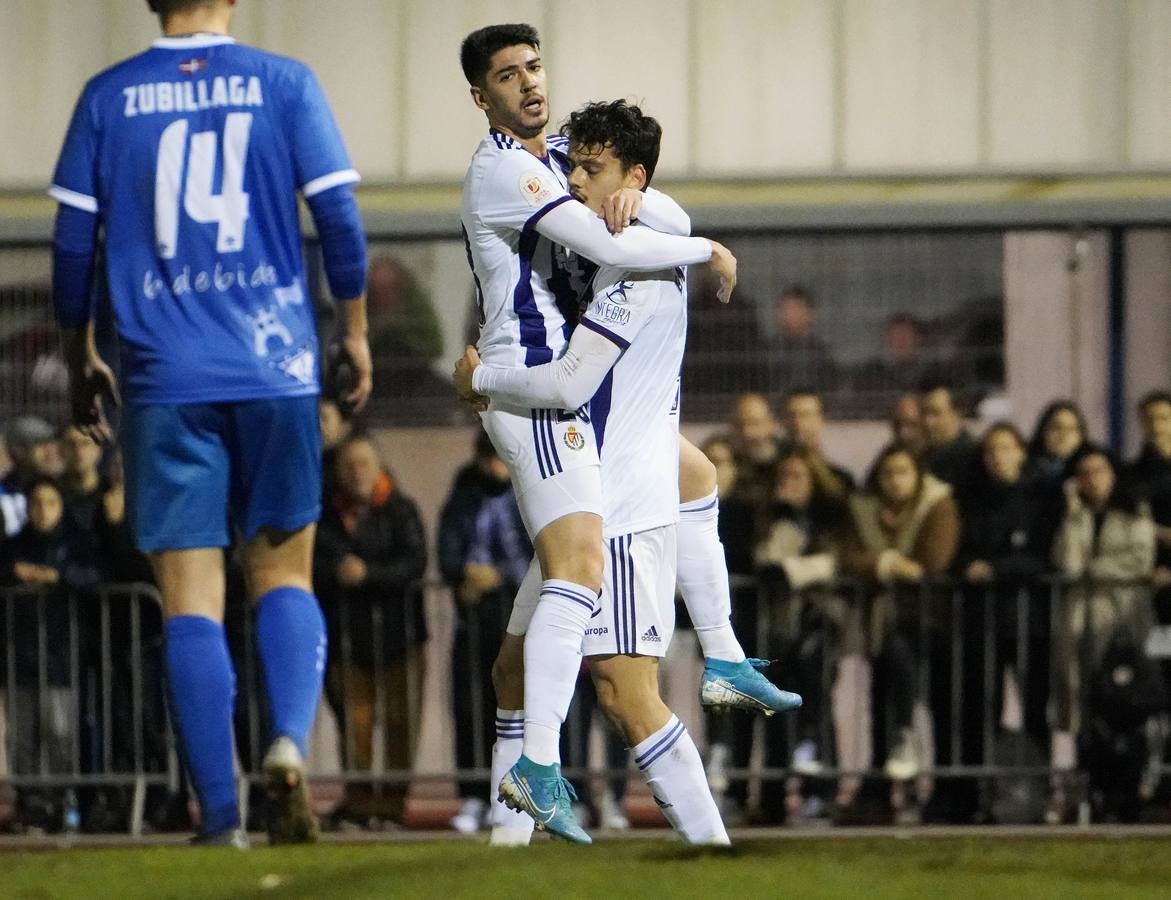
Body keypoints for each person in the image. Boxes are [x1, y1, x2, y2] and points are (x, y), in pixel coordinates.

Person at [49, 0, 371, 846]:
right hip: (276, 370)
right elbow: (338, 220)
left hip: (165, 378)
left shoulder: (107, 96)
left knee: (189, 599)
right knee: (286, 579)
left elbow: (72, 246)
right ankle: (290, 748)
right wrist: (356, 332)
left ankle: (221, 816)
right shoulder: (284, 83)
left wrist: (82, 351)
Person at [455, 23, 743, 843]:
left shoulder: (561, 172)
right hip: (545, 402)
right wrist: (708, 249)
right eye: (508, 77)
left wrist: (639, 201)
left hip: (590, 430)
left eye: (534, 67)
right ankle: (549, 773)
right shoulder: (514, 172)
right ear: (482, 98)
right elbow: (595, 240)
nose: (529, 84)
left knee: (523, 665)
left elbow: (622, 209)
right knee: (600, 628)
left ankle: (511, 848)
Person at [313, 433, 427, 826]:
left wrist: (366, 576)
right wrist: (338, 572)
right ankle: (360, 806)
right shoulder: (327, 516)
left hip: (402, 638)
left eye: (363, 463)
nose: (357, 472)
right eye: (349, 465)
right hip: (349, 641)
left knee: (401, 725)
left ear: (378, 466)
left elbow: (414, 562)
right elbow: (319, 562)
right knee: (355, 728)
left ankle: (392, 808)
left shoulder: (401, 510)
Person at [842, 444, 959, 816]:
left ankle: (938, 786)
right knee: (880, 699)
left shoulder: (938, 504)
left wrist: (878, 565)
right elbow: (848, 556)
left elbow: (933, 561)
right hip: (882, 622)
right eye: (888, 473)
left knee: (940, 705)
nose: (895, 481)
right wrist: (891, 562)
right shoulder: (863, 510)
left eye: (903, 472)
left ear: (917, 475)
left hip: (932, 621)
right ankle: (881, 788)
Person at [763, 286, 839, 395]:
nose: (790, 314)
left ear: (809, 313)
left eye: (796, 308)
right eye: (785, 309)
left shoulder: (821, 354)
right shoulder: (767, 352)